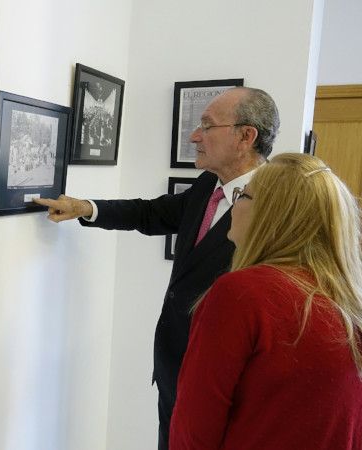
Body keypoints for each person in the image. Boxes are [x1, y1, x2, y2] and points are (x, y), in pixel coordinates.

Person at [34, 87, 280, 450]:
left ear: (246, 137)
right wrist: (87, 207)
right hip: (175, 368)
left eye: (207, 126)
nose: (195, 136)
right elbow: (153, 213)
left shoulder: (276, 207)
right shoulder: (209, 185)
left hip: (225, 386)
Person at [170, 153, 362, 449]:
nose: (234, 204)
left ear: (272, 215)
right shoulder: (348, 299)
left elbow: (195, 427)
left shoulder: (242, 294)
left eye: (243, 195)